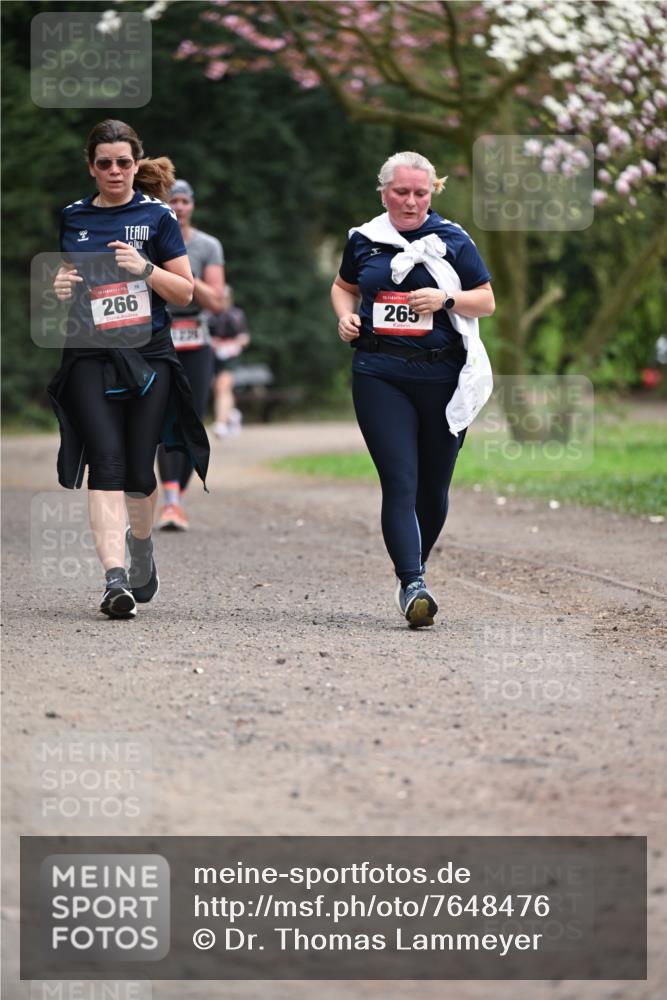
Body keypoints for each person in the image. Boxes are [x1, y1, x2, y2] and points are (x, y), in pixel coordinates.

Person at [49, 119, 210, 620]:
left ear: (136, 163)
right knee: (106, 462)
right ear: (90, 167)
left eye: (123, 162)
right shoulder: (74, 217)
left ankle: (140, 544)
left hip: (148, 355)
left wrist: (145, 269)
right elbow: (73, 284)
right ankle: (114, 580)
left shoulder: (157, 217)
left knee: (141, 472)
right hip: (89, 353)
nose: (115, 171)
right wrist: (60, 286)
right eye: (104, 163)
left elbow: (185, 293)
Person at [331, 151, 495, 628]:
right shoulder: (365, 240)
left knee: (433, 488)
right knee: (400, 481)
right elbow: (342, 286)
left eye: (420, 193)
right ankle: (413, 582)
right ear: (383, 192)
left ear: (432, 193)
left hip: (443, 378)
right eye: (401, 192)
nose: (410, 201)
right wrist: (344, 315)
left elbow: (485, 300)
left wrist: (446, 298)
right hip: (380, 373)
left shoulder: (453, 239)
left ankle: (413, 566)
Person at [156, 179, 224, 530]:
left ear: (192, 205)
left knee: (191, 417)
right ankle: (170, 499)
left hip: (196, 337)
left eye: (184, 201)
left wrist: (183, 277)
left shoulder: (207, 245)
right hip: (160, 335)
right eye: (172, 201)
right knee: (164, 414)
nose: (179, 207)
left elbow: (216, 300)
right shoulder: (150, 240)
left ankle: (175, 496)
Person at [209, 285, 250, 439]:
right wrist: (215, 343)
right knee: (219, 389)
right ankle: (232, 414)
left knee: (222, 385)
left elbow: (244, 338)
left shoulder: (237, 315)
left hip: (230, 356)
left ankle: (220, 423)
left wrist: (233, 344)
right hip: (213, 356)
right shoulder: (208, 315)